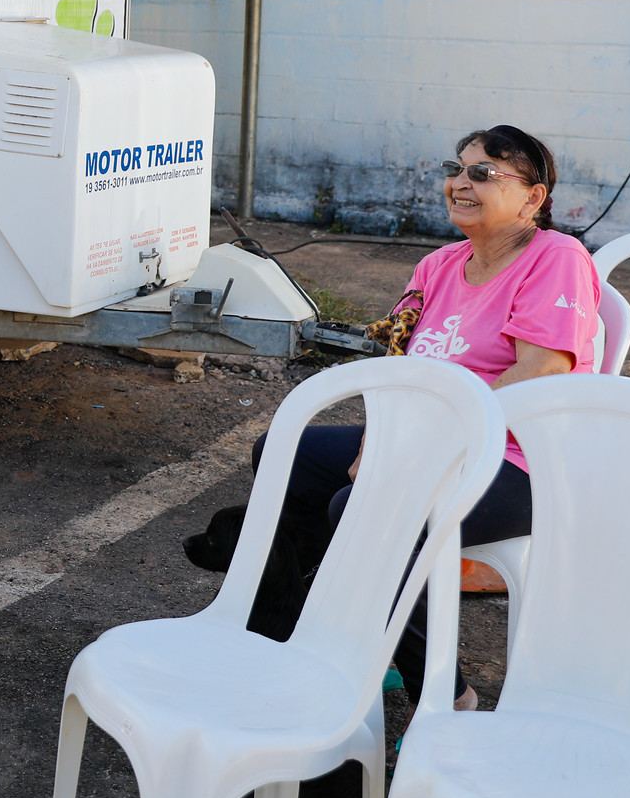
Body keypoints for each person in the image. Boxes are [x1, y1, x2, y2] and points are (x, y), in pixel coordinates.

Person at [253, 124, 598, 711]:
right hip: (429, 446)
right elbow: (396, 363)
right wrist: (377, 439)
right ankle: (314, 634)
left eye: (484, 173)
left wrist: (418, 448)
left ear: (533, 198)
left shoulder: (555, 258)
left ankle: (445, 693)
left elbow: (543, 367)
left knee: (360, 512)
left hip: (519, 462)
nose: (461, 183)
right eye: (456, 169)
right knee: (283, 456)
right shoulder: (438, 265)